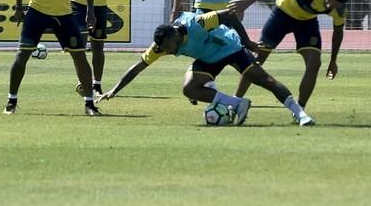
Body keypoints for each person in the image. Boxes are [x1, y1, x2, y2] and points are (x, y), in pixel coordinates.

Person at [97, 9, 315, 126]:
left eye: (169, 48)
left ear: (174, 35)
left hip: (230, 48)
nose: (168, 52)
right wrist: (114, 90)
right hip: (208, 59)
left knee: (265, 81)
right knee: (189, 88)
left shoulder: (197, 23)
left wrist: (248, 42)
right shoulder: (161, 45)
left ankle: (300, 114)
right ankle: (239, 104)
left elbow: (228, 14)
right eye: (163, 49)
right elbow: (138, 67)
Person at [228, 0, 352, 108]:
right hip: (282, 14)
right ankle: (235, 102)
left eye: (333, 5)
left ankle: (300, 109)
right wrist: (247, 2)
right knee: (258, 57)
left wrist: (333, 61)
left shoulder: (340, 11)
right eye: (328, 1)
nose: (328, 6)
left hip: (306, 22)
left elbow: (338, 33)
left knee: (315, 63)